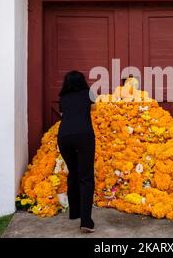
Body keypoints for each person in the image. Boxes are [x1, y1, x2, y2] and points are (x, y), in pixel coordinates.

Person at [57, 70, 96, 233]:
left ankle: (75, 213)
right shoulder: (89, 93)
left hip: (64, 136)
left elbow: (63, 114)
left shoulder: (63, 97)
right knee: (86, 177)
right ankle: (86, 221)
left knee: (73, 172)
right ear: (82, 81)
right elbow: (95, 109)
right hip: (84, 135)